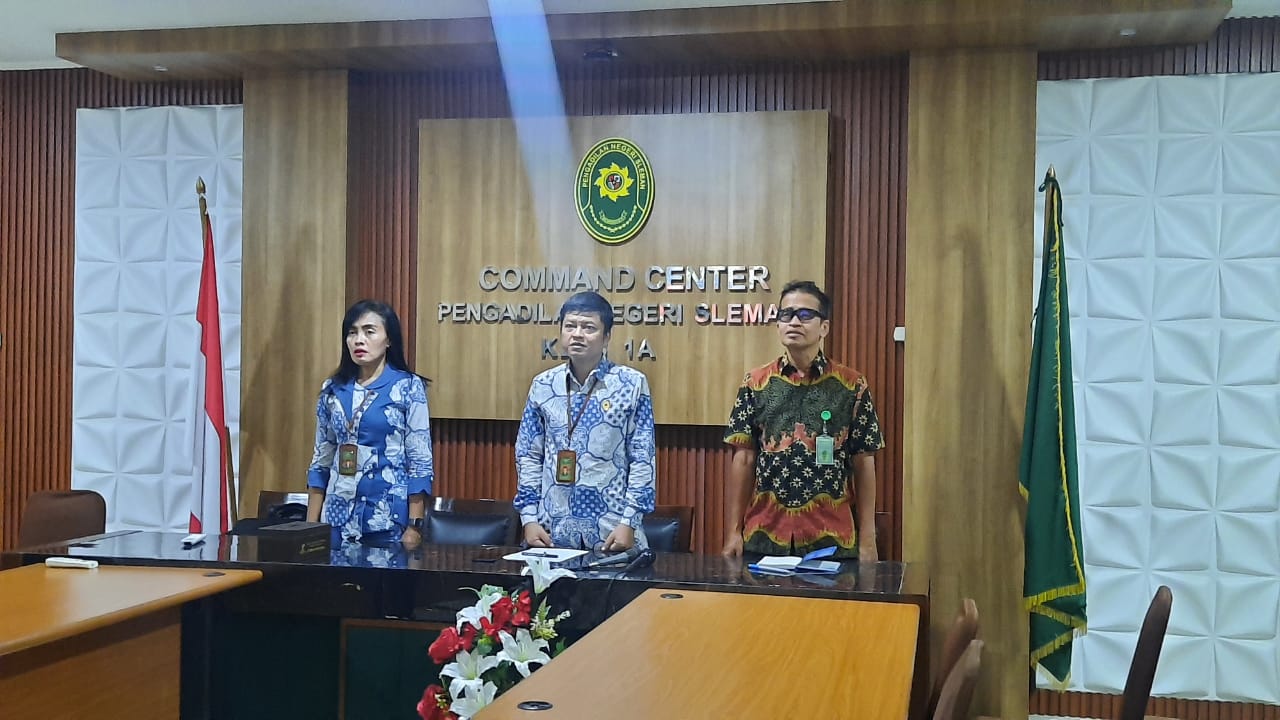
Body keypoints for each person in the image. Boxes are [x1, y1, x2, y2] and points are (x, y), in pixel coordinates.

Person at [722, 280, 884, 562]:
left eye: (805, 315)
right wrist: (733, 532)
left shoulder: (851, 385)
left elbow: (864, 461)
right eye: (786, 314)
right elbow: (744, 459)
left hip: (832, 539)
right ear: (778, 325)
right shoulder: (756, 383)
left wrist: (868, 539)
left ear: (824, 327)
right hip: (764, 537)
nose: (794, 321)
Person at [514, 291, 656, 552]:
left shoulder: (631, 384)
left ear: (607, 337)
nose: (577, 334)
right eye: (570, 326)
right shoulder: (543, 385)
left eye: (589, 327)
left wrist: (630, 521)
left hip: (612, 532)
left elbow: (642, 458)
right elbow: (528, 455)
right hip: (550, 532)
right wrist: (529, 518)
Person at [306, 299, 434, 547]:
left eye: (369, 331)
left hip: (386, 518)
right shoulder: (332, 390)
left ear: (389, 340)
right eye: (352, 333)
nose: (359, 340)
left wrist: (414, 526)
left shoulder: (407, 387)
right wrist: (310, 526)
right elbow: (321, 458)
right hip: (337, 516)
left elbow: (420, 463)